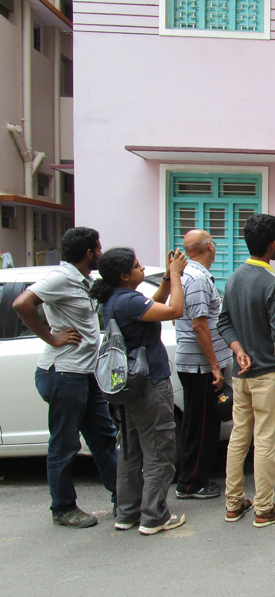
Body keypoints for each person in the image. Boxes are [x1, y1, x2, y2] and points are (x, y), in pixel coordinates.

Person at [12, 227, 117, 528]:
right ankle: (63, 507)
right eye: (99, 248)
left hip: (85, 372)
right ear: (89, 253)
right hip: (64, 373)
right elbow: (21, 303)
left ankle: (123, 497)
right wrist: (51, 336)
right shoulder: (61, 277)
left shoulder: (84, 280)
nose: (101, 253)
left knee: (104, 437)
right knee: (65, 443)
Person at [91, 247, 188, 535]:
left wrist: (166, 280)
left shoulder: (114, 299)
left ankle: (127, 512)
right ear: (124, 275)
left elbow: (152, 307)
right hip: (148, 384)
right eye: (136, 265)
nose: (142, 267)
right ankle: (154, 516)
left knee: (130, 450)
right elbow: (175, 311)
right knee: (159, 449)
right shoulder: (128, 301)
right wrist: (176, 275)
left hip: (127, 385)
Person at [217, 214, 275, 527]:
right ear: (273, 243)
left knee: (239, 437)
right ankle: (264, 508)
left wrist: (238, 349)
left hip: (241, 374)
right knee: (264, 440)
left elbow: (224, 322)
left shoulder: (234, 278)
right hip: (268, 373)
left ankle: (234, 503)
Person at [174, 230, 232, 500]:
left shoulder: (189, 275)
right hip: (200, 367)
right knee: (203, 426)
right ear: (209, 246)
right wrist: (215, 367)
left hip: (198, 364)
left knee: (196, 423)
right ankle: (191, 483)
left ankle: (190, 479)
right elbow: (199, 326)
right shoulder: (197, 278)